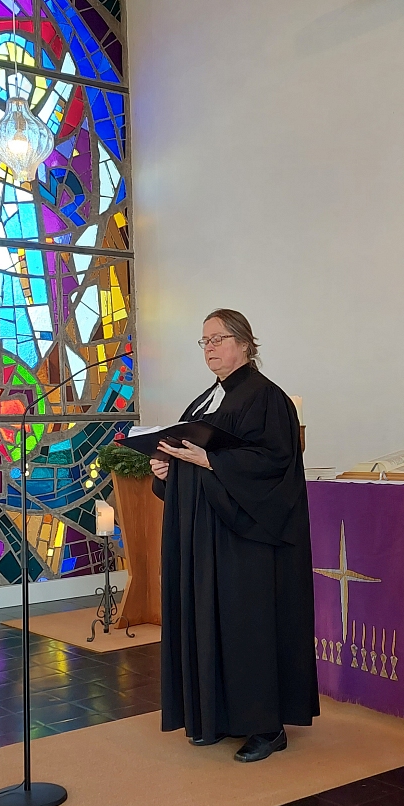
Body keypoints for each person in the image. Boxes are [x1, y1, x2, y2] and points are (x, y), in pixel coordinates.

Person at [149, 309, 317, 762]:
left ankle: (267, 726)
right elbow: (188, 456)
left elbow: (274, 463)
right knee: (212, 622)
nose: (209, 348)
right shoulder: (206, 400)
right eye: (204, 341)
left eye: (218, 339)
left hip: (245, 538)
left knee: (247, 625)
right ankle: (219, 715)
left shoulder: (266, 397)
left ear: (244, 343)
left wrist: (210, 461)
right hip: (204, 536)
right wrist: (166, 470)